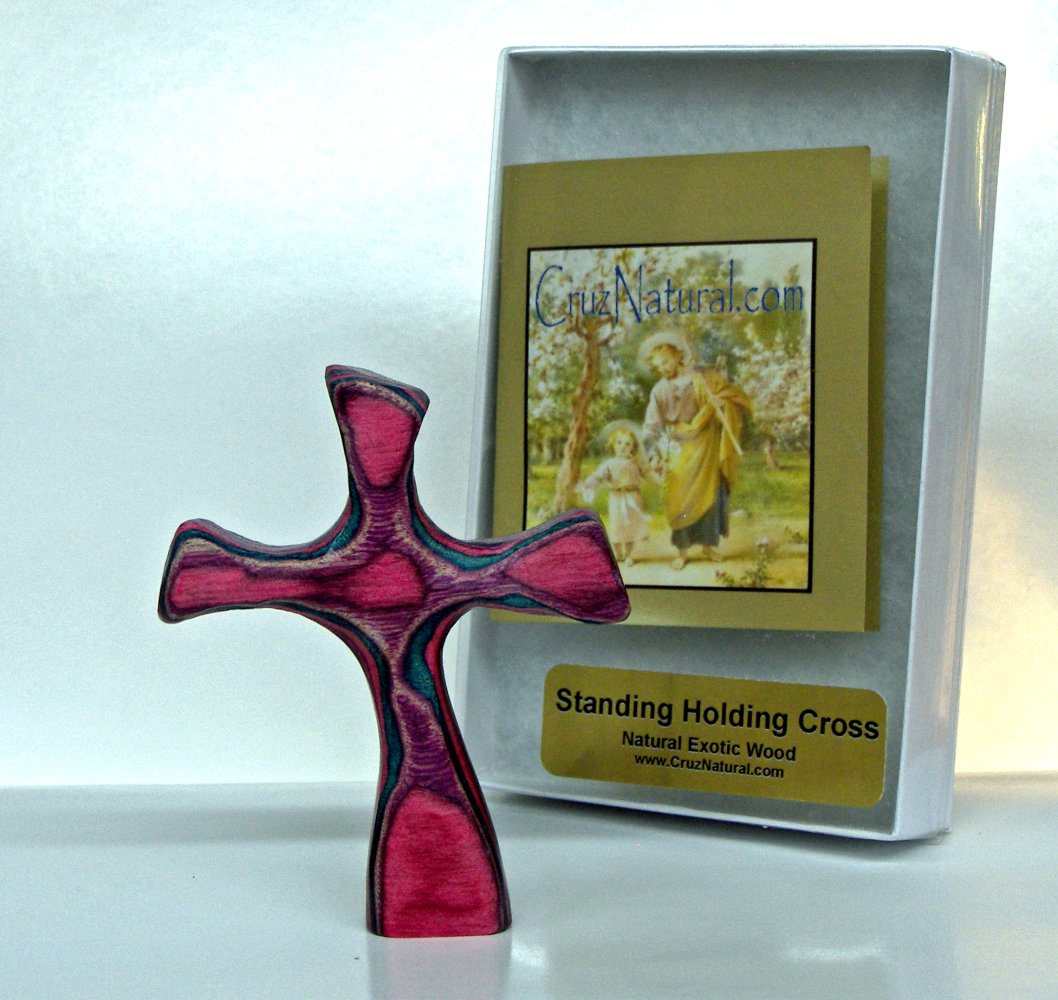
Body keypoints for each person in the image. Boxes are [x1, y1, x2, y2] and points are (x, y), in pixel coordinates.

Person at [640, 334, 751, 570]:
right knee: (679, 499)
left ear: (677, 357)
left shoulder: (701, 379)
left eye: (665, 362)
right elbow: (651, 426)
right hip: (679, 448)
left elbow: (730, 398)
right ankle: (682, 551)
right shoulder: (659, 390)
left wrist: (722, 405)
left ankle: (708, 546)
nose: (663, 368)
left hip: (707, 445)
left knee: (711, 498)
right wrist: (653, 452)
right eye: (658, 366)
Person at [577, 426, 655, 567]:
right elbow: (598, 477)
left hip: (633, 497)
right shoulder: (609, 464)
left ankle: (629, 554)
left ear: (632, 447)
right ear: (613, 444)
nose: (623, 446)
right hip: (617, 498)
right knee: (617, 525)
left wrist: (660, 478)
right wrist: (587, 484)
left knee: (630, 526)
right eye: (619, 443)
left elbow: (649, 474)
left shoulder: (636, 463)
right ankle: (618, 554)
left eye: (627, 444)